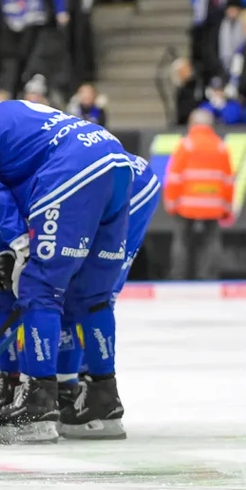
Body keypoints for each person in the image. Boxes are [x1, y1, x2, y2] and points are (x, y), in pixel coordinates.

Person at [0, 77, 133, 444]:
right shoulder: (4, 116)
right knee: (90, 294)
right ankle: (103, 397)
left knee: (39, 287)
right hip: (114, 156)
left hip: (74, 166)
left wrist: (21, 245)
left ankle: (40, 401)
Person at [54, 153, 160, 440]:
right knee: (70, 288)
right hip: (107, 177)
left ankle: (97, 393)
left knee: (89, 291)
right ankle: (74, 386)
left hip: (125, 183)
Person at [164, 110, 234, 280]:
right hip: (213, 205)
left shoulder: (186, 145)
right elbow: (228, 180)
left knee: (182, 241)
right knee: (211, 242)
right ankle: (209, 277)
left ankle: (179, 277)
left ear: (191, 124)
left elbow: (174, 178)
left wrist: (171, 202)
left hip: (186, 205)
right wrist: (227, 207)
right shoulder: (220, 147)